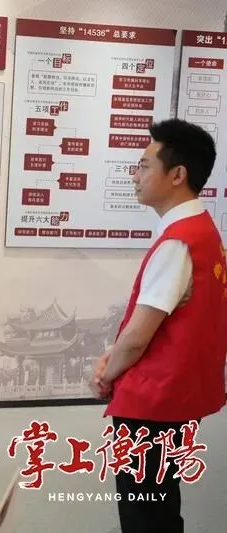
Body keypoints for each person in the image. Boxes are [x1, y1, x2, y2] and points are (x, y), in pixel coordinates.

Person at [90, 118, 227, 533]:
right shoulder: (203, 230)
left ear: (177, 174)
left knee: (144, 511)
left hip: (153, 399)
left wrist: (106, 373)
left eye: (145, 165)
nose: (135, 175)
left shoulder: (178, 241)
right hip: (177, 393)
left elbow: (138, 337)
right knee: (160, 500)